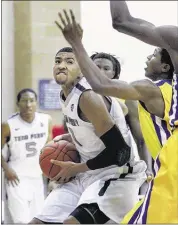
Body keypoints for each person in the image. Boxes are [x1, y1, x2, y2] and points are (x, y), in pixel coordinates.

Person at [54, 9, 178, 223]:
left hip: (128, 174)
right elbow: (141, 138)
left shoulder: (149, 90)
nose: (149, 57)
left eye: (154, 54)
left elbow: (102, 85)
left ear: (166, 65)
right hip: (157, 167)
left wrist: (76, 44)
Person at [30, 47, 146, 224]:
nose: (61, 66)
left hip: (115, 176)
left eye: (69, 62)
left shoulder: (87, 96)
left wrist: (74, 168)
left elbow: (120, 152)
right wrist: (74, 138)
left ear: (82, 70)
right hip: (87, 175)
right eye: (58, 61)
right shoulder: (65, 94)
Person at [91, 52, 152, 193]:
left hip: (119, 166)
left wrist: (148, 168)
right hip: (88, 165)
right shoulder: (78, 96)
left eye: (106, 68)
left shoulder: (127, 100)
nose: (100, 71)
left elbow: (141, 139)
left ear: (114, 74)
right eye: (96, 67)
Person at [1, 88, 52, 223]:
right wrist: (7, 169)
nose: (28, 104)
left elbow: (49, 147)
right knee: (21, 221)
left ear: (36, 103)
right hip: (16, 178)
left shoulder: (46, 120)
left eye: (31, 100)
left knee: (38, 219)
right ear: (17, 104)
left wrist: (51, 173)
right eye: (24, 101)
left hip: (37, 177)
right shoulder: (8, 125)